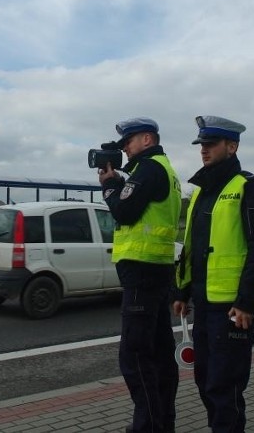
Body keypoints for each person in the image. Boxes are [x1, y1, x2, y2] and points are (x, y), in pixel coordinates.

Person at [172, 116, 254, 433]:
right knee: (206, 381)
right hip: (204, 304)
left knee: (224, 387)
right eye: (201, 145)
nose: (204, 150)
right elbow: (193, 247)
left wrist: (246, 303)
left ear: (232, 147)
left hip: (232, 309)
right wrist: (182, 292)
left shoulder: (250, 188)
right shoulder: (201, 193)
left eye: (210, 144)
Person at [98, 117, 182, 433]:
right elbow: (138, 207)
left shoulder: (150, 169)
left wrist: (109, 187)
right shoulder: (165, 170)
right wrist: (120, 185)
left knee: (134, 357)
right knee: (160, 355)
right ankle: (164, 424)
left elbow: (125, 211)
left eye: (128, 142)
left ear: (147, 139)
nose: (125, 150)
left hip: (143, 272)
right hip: (157, 270)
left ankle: (148, 427)